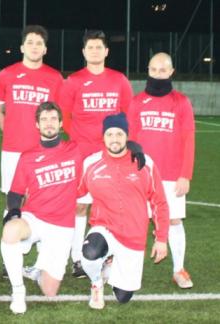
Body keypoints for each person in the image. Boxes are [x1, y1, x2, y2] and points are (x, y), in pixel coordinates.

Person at [58, 30, 133, 277]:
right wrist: (82, 139)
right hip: (82, 154)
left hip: (112, 156)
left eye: (99, 47)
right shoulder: (73, 81)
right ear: (84, 52)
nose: (94, 51)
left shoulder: (119, 80)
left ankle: (110, 256)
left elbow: (127, 116)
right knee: (80, 206)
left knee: (112, 205)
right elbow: (64, 117)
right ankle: (77, 259)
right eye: (90, 47)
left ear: (106, 51)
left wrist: (119, 146)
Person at [0, 102, 83, 314]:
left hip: (62, 226)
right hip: (34, 218)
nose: (49, 123)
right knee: (10, 230)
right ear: (37, 124)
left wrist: (134, 147)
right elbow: (15, 192)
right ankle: (18, 291)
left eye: (53, 118)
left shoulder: (75, 149)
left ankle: (37, 271)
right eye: (44, 119)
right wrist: (14, 212)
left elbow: (108, 146)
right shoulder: (28, 157)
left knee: (50, 291)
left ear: (61, 123)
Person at [79, 113, 169, 309]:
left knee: (123, 296)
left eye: (119, 134)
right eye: (109, 134)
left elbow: (159, 202)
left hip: (133, 234)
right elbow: (74, 192)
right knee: (90, 252)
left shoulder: (144, 163)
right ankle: (96, 282)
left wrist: (161, 238)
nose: (114, 139)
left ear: (127, 136)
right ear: (103, 137)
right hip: (104, 227)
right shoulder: (91, 164)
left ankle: (110, 264)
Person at [128, 52, 195, 289]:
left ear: (171, 72)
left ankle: (178, 269)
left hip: (170, 174)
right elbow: (131, 140)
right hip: (141, 173)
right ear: (148, 70)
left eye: (162, 70)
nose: (158, 74)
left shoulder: (181, 102)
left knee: (174, 220)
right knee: (135, 220)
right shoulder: (136, 102)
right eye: (154, 70)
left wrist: (185, 173)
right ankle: (124, 267)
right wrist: (130, 170)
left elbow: (188, 138)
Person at [0, 25, 63, 203]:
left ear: (45, 49)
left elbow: (60, 115)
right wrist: (10, 130)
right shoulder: (7, 74)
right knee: (14, 200)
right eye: (30, 42)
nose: (34, 46)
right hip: (13, 149)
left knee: (42, 199)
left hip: (44, 148)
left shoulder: (55, 77)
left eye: (39, 43)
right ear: (22, 47)